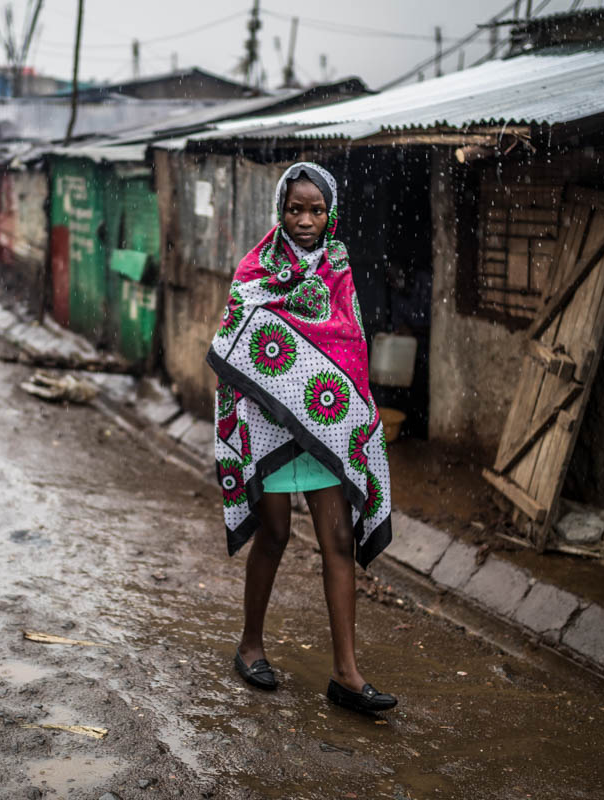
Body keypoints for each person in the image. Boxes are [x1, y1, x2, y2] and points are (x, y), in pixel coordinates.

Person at [207, 162, 397, 715]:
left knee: (337, 541)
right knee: (275, 535)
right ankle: (250, 644)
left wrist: (354, 410)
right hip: (268, 426)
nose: (306, 220)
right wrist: (278, 390)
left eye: (316, 210)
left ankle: (347, 674)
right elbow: (239, 343)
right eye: (296, 209)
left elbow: (349, 344)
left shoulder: (339, 268)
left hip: (326, 426)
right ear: (281, 210)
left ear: (330, 212)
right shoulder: (255, 269)